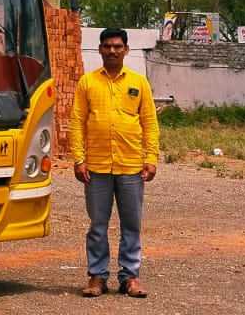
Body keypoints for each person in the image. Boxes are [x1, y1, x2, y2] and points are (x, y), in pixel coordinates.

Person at [69, 27, 160, 298]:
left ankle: (130, 277)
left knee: (131, 224)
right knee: (98, 225)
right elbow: (77, 122)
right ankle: (97, 276)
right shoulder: (87, 82)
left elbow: (149, 123)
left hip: (131, 165)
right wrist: (79, 159)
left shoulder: (138, 83)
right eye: (107, 46)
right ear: (99, 50)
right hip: (96, 167)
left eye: (117, 46)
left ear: (126, 50)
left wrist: (151, 158)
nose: (112, 51)